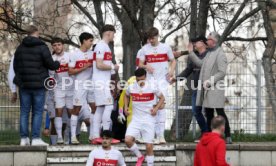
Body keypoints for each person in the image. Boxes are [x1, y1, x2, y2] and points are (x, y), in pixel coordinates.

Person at [13, 25, 60, 146]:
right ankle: (35, 139)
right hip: (39, 85)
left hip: (24, 85)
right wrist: (57, 63)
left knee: (24, 111)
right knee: (38, 112)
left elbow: (15, 67)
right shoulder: (42, 47)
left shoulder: (20, 48)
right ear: (36, 32)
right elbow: (50, 64)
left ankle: (23, 139)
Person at [187, 32, 232, 144]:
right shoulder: (209, 53)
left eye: (209, 39)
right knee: (209, 112)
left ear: (214, 41)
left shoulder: (220, 54)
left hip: (215, 89)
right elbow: (201, 63)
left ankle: (228, 135)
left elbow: (222, 72)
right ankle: (210, 137)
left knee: (220, 112)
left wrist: (209, 81)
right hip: (206, 89)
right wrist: (191, 53)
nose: (207, 41)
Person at [139, 27, 176, 144]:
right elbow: (140, 63)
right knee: (153, 107)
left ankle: (161, 136)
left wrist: (171, 71)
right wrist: (146, 66)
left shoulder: (165, 47)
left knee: (161, 107)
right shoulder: (144, 49)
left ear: (157, 36)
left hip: (163, 81)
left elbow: (173, 60)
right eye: (149, 39)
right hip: (150, 81)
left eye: (153, 38)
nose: (151, 41)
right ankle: (153, 135)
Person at [124, 68, 165, 166]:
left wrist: (156, 109)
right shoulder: (131, 87)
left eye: (141, 80)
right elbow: (126, 95)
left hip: (149, 120)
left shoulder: (152, 86)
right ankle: (140, 157)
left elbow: (162, 98)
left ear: (145, 77)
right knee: (127, 140)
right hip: (136, 120)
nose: (139, 82)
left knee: (149, 146)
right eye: (137, 80)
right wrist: (125, 107)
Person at [171, 36, 208, 140]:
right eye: (193, 42)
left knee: (208, 112)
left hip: (207, 89)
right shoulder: (194, 55)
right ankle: (205, 132)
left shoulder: (209, 55)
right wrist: (176, 78)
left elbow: (202, 65)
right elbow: (188, 70)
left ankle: (212, 134)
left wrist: (187, 52)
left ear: (204, 42)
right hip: (196, 89)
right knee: (196, 111)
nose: (194, 44)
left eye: (196, 41)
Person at [92, 24, 120, 144]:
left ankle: (94, 136)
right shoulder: (100, 46)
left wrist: (113, 69)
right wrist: (113, 66)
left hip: (103, 81)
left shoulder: (106, 47)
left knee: (100, 108)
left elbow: (103, 66)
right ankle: (106, 135)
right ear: (109, 33)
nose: (114, 36)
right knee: (108, 106)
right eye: (114, 33)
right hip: (100, 82)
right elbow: (99, 64)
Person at [68, 32, 96, 144]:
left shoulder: (93, 54)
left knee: (94, 108)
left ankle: (92, 136)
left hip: (92, 85)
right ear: (84, 41)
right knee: (76, 109)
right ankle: (73, 137)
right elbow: (70, 71)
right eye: (90, 41)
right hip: (80, 84)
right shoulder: (74, 54)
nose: (91, 43)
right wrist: (84, 67)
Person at [50, 38, 74, 144]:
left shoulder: (70, 56)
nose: (57, 47)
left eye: (59, 44)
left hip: (71, 88)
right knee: (58, 112)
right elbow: (50, 76)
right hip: (58, 89)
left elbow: (75, 70)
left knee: (71, 113)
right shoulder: (51, 58)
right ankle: (59, 137)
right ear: (52, 47)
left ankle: (69, 137)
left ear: (63, 45)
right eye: (54, 45)